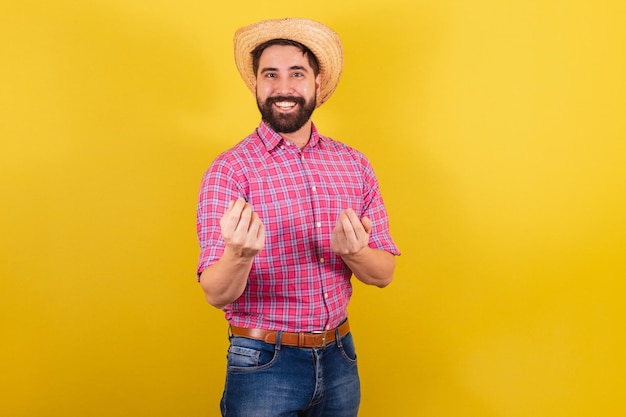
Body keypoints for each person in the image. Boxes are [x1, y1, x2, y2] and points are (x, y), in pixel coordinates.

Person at [196, 17, 400, 417]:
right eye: (270, 74)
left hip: (341, 355)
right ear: (255, 84)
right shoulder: (229, 171)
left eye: (297, 73)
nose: (283, 88)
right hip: (263, 364)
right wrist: (238, 254)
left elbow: (384, 273)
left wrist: (356, 253)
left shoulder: (353, 164)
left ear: (317, 84)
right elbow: (215, 293)